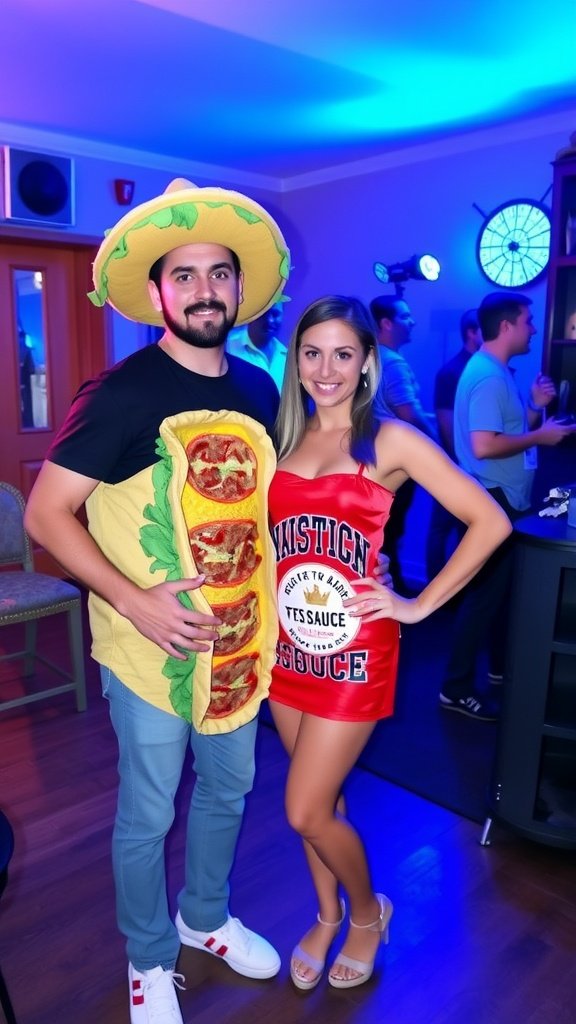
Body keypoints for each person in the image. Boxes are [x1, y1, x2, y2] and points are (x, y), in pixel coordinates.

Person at [24, 178, 291, 1024]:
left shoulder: (257, 389)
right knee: (147, 811)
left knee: (227, 789)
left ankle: (203, 918)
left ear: (239, 289)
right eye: (186, 276)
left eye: (220, 273)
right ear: (156, 293)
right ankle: (148, 958)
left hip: (238, 646)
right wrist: (134, 599)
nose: (205, 289)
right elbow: (45, 515)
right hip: (150, 648)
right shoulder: (121, 393)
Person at [267, 295, 511, 992]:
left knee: (303, 807)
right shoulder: (282, 440)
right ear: (296, 360)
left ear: (368, 361)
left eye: (343, 353)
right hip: (287, 650)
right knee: (323, 798)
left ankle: (369, 914)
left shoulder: (390, 440)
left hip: (354, 655)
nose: (326, 368)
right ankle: (324, 912)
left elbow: (486, 519)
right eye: (312, 352)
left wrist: (415, 605)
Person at [439, 291, 576, 720]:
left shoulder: (497, 372)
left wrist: (534, 411)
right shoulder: (489, 376)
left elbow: (503, 432)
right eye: (528, 320)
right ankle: (455, 688)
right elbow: (484, 445)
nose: (534, 328)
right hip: (491, 500)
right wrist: (540, 435)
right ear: (507, 327)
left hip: (500, 497)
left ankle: (499, 671)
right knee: (484, 597)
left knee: (500, 594)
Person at [369, 294, 436, 593]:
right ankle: (393, 596)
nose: (412, 322)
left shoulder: (373, 357)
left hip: (373, 456)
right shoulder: (392, 363)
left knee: (385, 531)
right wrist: (439, 450)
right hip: (393, 461)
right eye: (405, 317)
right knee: (391, 532)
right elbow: (410, 415)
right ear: (386, 323)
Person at [425, 308, 482, 580]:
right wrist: (457, 465)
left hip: (473, 465)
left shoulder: (480, 367)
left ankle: (457, 592)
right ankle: (436, 594)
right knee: (441, 528)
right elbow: (445, 422)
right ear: (472, 333)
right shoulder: (452, 371)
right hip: (456, 464)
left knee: (463, 529)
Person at [226, 300, 287, 391]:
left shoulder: (287, 355)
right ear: (251, 315)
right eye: (264, 314)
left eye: (275, 314)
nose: (270, 320)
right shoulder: (228, 347)